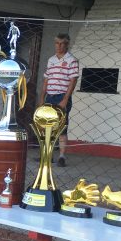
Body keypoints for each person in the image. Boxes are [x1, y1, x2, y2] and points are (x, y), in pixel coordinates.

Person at [38, 33, 79, 167]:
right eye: (57, 43)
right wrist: (42, 97)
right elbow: (46, 79)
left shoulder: (72, 60)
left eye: (62, 44)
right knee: (46, 125)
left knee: (62, 126)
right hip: (50, 96)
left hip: (62, 96)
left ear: (67, 45)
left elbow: (73, 81)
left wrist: (65, 100)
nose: (59, 46)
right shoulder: (51, 60)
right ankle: (47, 155)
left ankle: (61, 156)